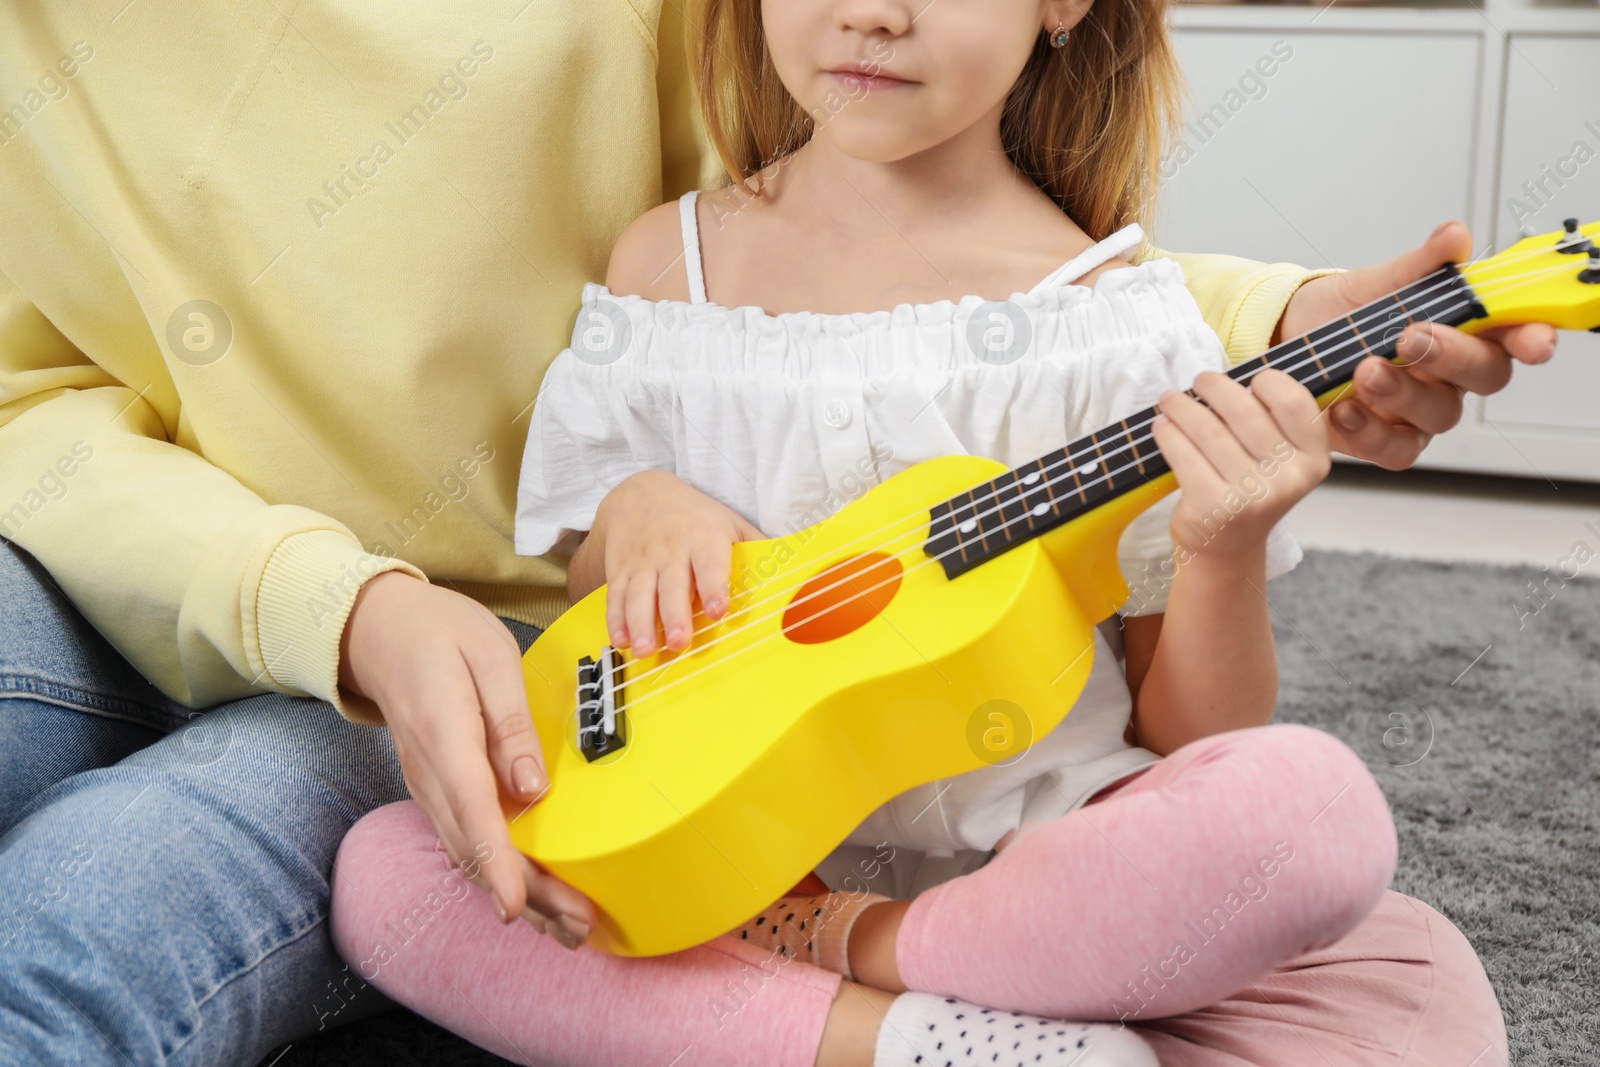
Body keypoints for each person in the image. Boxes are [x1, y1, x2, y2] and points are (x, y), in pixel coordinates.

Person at [0, 2, 1547, 1066]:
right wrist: (641, 509)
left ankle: (888, 978)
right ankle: (939, 1033)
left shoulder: (1119, 327)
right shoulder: (669, 263)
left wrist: (1220, 552)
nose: (869, 11)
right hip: (720, 851)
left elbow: (1190, 726)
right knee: (397, 878)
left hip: (1029, 852)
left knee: (1308, 816)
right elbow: (600, 574)